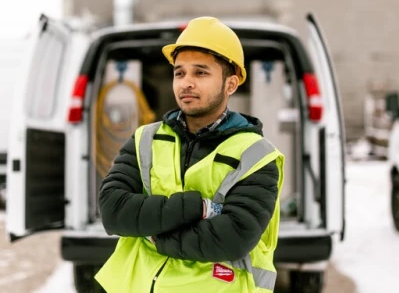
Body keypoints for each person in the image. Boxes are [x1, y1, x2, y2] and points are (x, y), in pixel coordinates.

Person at [95, 16, 285, 293]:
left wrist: (155, 236)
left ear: (230, 85)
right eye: (179, 73)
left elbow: (232, 237)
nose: (186, 83)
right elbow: (113, 212)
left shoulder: (256, 155)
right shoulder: (145, 139)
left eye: (201, 73)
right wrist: (199, 208)